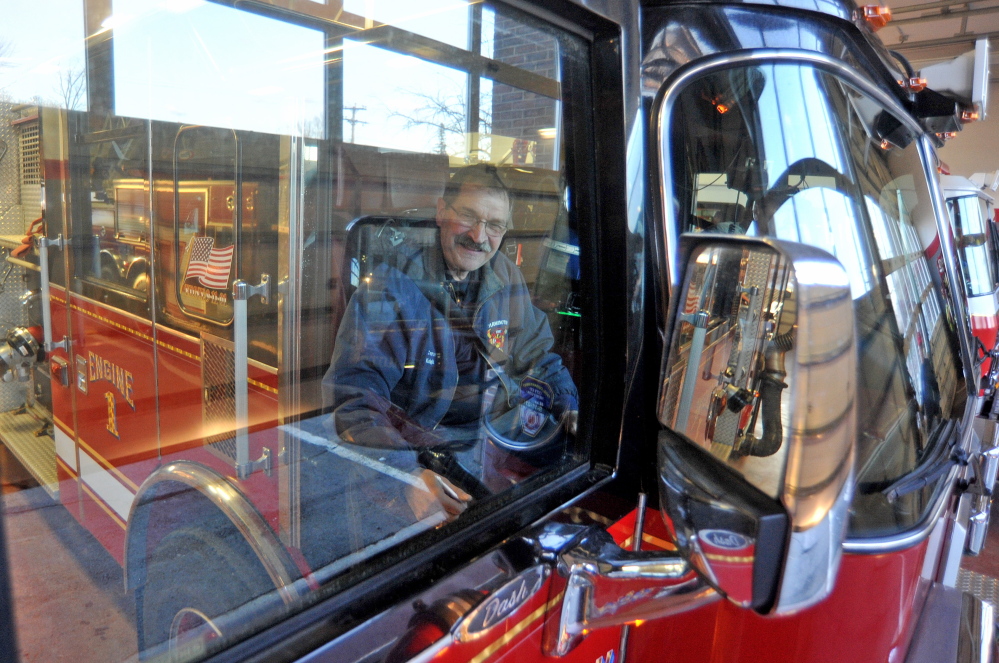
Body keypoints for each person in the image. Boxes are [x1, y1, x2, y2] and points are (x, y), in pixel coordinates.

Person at [323, 164, 579, 521]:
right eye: (468, 216)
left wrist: (569, 403)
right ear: (441, 212)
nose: (479, 235)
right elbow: (354, 397)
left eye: (494, 225)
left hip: (488, 449)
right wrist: (406, 475)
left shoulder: (506, 277)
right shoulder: (392, 288)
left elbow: (538, 356)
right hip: (416, 462)